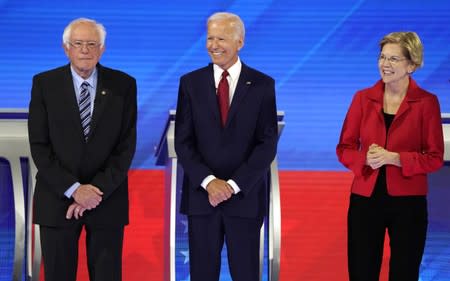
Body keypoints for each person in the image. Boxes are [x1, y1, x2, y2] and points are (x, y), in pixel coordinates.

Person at [28, 18, 137, 281]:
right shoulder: (45, 84)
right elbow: (40, 146)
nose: (85, 50)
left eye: (92, 44)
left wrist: (94, 192)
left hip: (106, 199)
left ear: (102, 49)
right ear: (67, 48)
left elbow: (125, 147)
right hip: (57, 198)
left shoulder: (124, 85)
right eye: (78, 44)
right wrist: (75, 190)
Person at [174, 12, 278, 281]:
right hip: (202, 198)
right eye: (210, 38)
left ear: (240, 42)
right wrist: (209, 182)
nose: (214, 44)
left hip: (244, 198)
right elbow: (183, 142)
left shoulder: (263, 85)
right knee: (202, 274)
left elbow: (266, 144)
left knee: (245, 274)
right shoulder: (190, 83)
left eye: (221, 38)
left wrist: (231, 186)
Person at [336, 31, 444, 281]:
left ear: (412, 64)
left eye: (394, 59)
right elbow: (345, 148)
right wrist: (366, 159)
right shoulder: (362, 98)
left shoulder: (427, 103)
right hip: (365, 199)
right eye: (383, 57)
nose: (385, 64)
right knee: (362, 270)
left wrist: (395, 158)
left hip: (409, 203)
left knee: (404, 272)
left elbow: (435, 157)